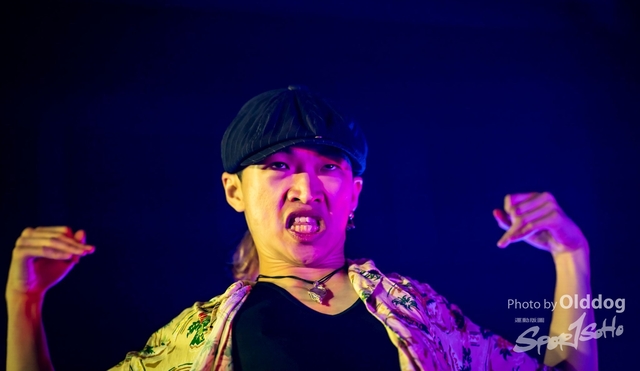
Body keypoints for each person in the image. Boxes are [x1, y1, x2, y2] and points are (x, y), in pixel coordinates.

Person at [6, 86, 598, 370]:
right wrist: (23, 306)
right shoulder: (202, 337)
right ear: (234, 191)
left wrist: (572, 258)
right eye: (278, 166)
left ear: (354, 192)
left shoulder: (417, 313)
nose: (306, 187)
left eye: (328, 168)